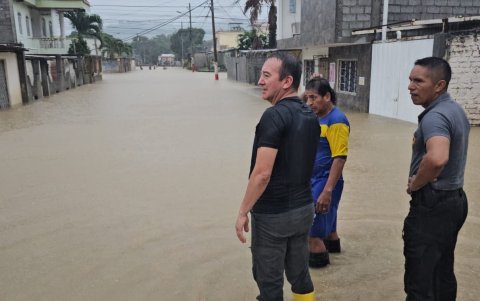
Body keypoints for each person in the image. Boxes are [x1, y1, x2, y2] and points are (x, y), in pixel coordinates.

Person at [235, 52, 320, 301]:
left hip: (273, 216)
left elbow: (262, 174)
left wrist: (242, 212)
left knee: (269, 284)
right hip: (304, 209)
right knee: (300, 275)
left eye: (266, 75)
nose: (260, 81)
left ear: (286, 81)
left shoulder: (273, 116)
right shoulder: (310, 116)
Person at [404, 56, 469, 300]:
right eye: (410, 80)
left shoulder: (435, 117)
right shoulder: (455, 110)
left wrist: (416, 183)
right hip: (454, 200)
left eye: (418, 81)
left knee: (420, 280)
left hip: (433, 204)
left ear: (439, 86)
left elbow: (438, 158)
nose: (410, 86)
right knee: (442, 271)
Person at [304, 78, 350, 268]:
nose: (309, 103)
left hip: (325, 181)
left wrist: (327, 191)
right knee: (329, 228)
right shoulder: (318, 116)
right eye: (307, 98)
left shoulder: (336, 120)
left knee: (311, 232)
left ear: (327, 96)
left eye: (313, 98)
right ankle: (334, 255)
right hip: (316, 179)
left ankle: (320, 280)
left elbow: (340, 158)